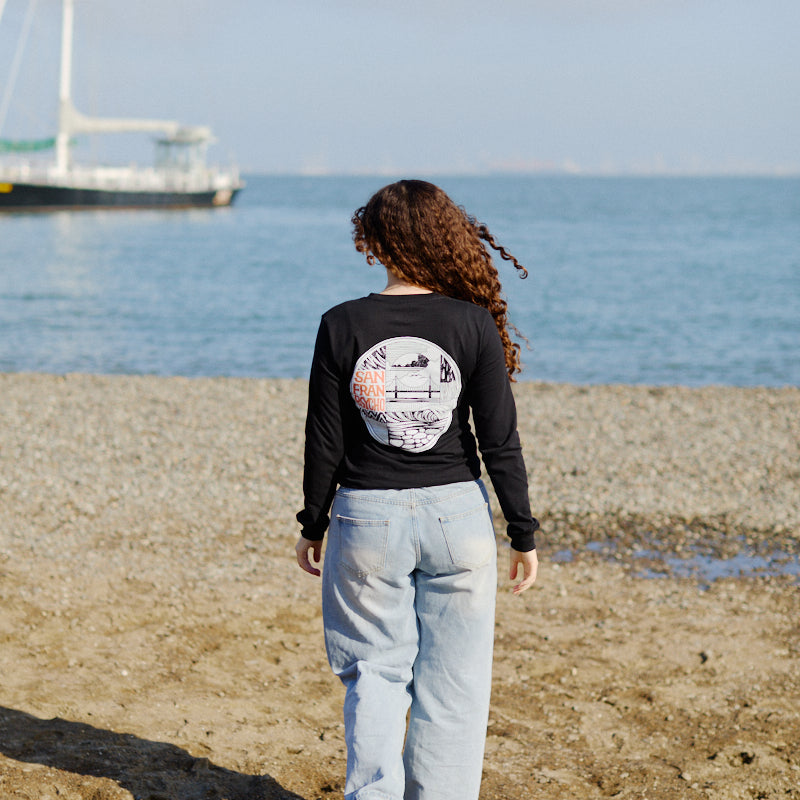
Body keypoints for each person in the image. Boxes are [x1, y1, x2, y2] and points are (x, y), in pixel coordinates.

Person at [295, 179, 539, 800]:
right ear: (442, 240)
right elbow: (499, 440)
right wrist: (523, 532)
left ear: (372, 242)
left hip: (366, 518)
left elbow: (324, 438)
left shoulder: (341, 323)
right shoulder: (472, 323)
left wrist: (312, 523)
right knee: (454, 684)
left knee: (374, 674)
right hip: (458, 516)